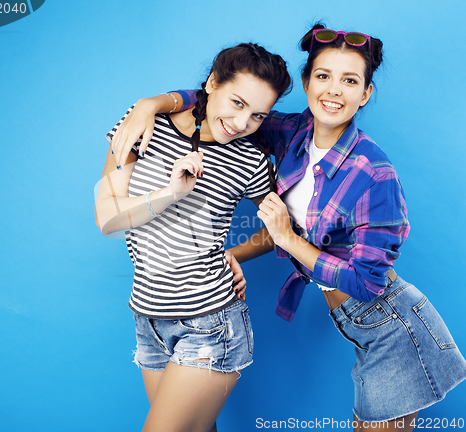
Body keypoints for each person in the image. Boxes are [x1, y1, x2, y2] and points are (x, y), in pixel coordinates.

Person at [111, 24, 466, 432]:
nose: (334, 90)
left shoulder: (374, 172)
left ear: (365, 93)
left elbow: (366, 285)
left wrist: (289, 240)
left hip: (394, 328)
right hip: (359, 327)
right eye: (323, 76)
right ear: (306, 82)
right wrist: (151, 104)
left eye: (350, 80)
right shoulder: (291, 132)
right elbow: (225, 100)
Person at [95, 43, 291, 432]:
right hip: (148, 317)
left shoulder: (249, 160)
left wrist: (234, 253)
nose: (240, 123)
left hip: (210, 322)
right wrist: (170, 194)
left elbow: (282, 228)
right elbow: (107, 218)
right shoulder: (144, 127)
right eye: (236, 102)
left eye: (257, 116)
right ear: (212, 83)